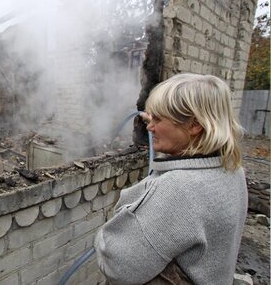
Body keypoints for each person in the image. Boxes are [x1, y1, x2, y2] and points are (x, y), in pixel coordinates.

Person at [94, 73, 247, 284]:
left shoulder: (179, 188)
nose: (149, 126)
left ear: (194, 125)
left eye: (158, 119)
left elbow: (116, 264)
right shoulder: (232, 169)